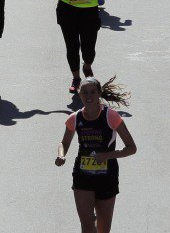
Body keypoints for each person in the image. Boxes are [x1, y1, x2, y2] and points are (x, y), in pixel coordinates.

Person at [55, 76, 136, 233]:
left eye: (92, 92)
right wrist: (61, 155)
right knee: (87, 225)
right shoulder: (75, 118)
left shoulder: (111, 116)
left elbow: (131, 148)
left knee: (103, 229)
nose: (89, 96)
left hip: (107, 176)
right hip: (82, 175)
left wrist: (106, 156)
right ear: (80, 95)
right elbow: (63, 143)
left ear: (99, 93)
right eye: (85, 92)